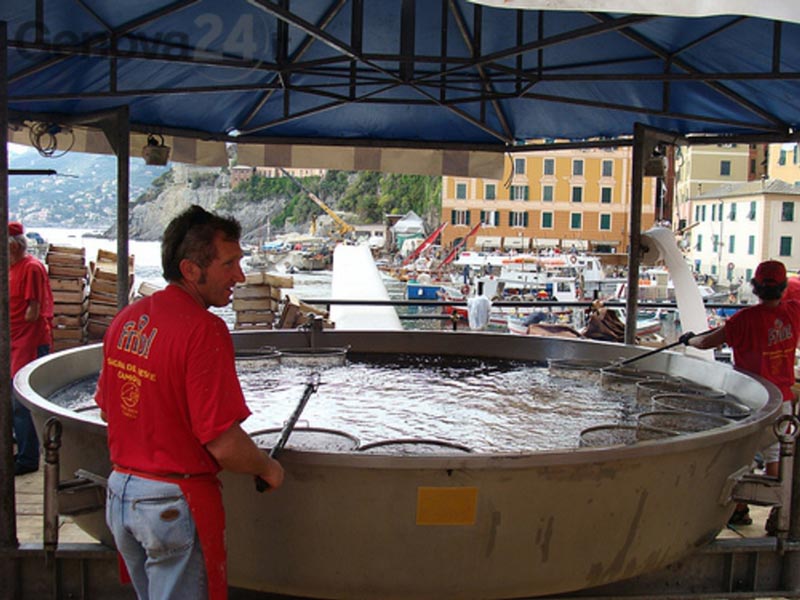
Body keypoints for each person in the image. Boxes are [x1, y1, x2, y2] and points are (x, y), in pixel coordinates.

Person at [95, 205, 284, 599]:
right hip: (171, 505)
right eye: (229, 264)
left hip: (120, 497)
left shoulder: (126, 320)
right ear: (191, 270)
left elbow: (109, 408)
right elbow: (224, 444)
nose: (240, 276)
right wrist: (267, 466)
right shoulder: (205, 330)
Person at [681, 260, 800, 530]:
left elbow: (706, 342)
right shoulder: (794, 312)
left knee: (737, 461)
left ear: (755, 288)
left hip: (750, 402)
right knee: (778, 460)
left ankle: (739, 509)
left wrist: (689, 339)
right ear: (782, 288)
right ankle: (778, 516)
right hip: (783, 403)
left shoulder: (744, 320)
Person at [9, 220, 53, 476]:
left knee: (22, 403)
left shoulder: (32, 269)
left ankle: (27, 459)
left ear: (14, 247)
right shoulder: (10, 268)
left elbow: (32, 312)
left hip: (29, 340)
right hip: (12, 340)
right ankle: (20, 448)